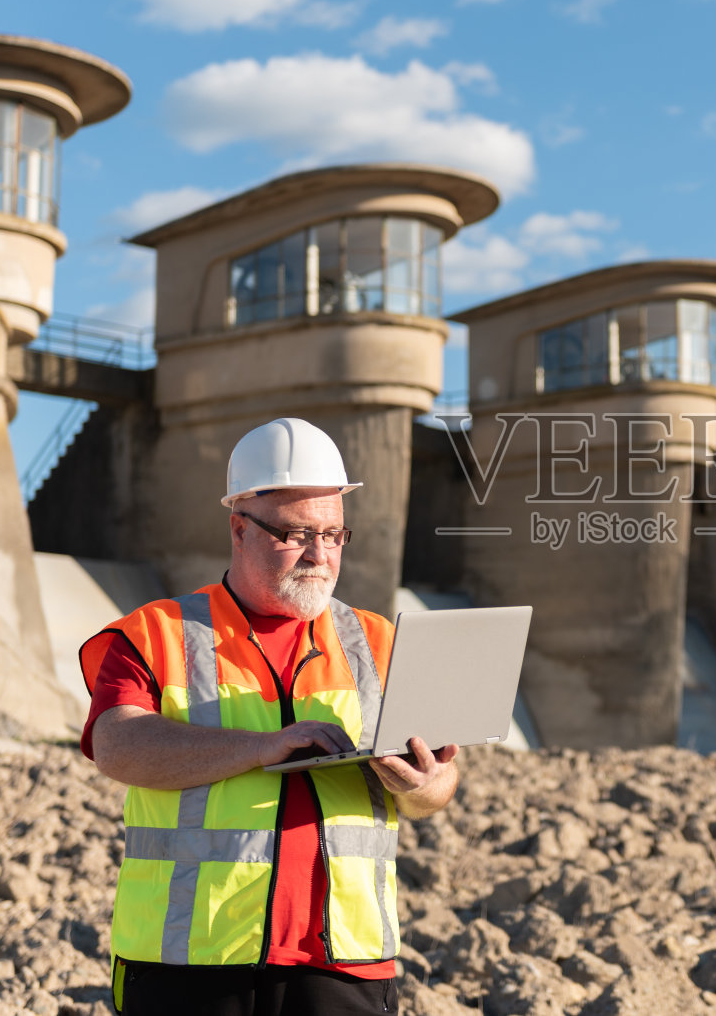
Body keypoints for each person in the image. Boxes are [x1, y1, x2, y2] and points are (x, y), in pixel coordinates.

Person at [79, 417, 459, 1016]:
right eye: (296, 534)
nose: (320, 555)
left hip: (346, 964)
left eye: (334, 535)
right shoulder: (157, 633)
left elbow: (436, 786)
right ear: (239, 527)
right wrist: (260, 749)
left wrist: (423, 784)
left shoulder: (380, 642)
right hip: (191, 963)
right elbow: (116, 745)